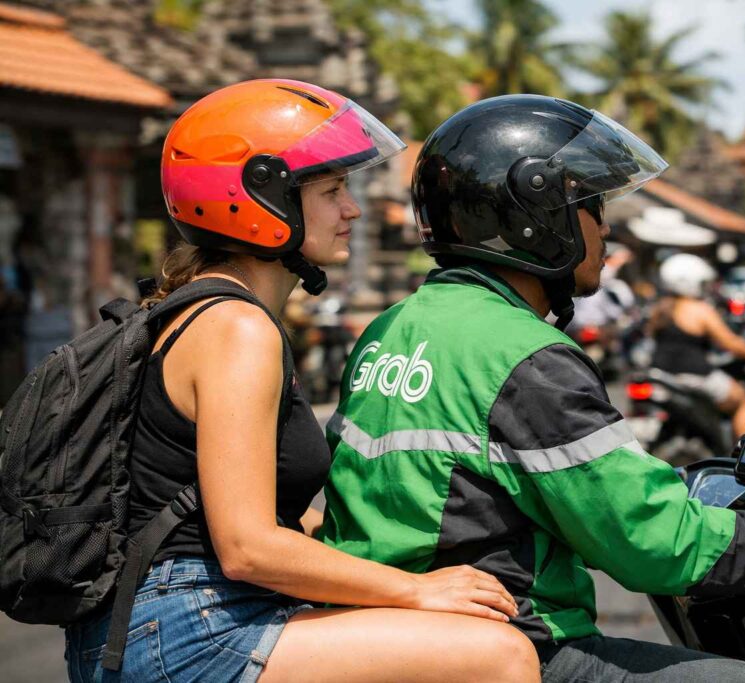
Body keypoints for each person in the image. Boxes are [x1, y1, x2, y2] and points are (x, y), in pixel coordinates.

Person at [319, 94, 745, 682]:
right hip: (505, 642)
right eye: (591, 205)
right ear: (536, 216)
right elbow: (659, 544)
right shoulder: (524, 355)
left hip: (387, 628)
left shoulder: (391, 327)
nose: (604, 226)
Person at [63, 80, 539, 683]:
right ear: (262, 195)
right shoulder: (237, 328)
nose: (353, 210)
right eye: (333, 190)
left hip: (158, 620)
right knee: (497, 654)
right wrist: (415, 589)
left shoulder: (200, 309)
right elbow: (248, 548)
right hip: (185, 627)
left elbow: (234, 518)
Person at [648, 253, 745, 440]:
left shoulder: (659, 308)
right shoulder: (698, 309)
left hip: (659, 374)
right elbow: (730, 343)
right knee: (742, 398)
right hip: (695, 376)